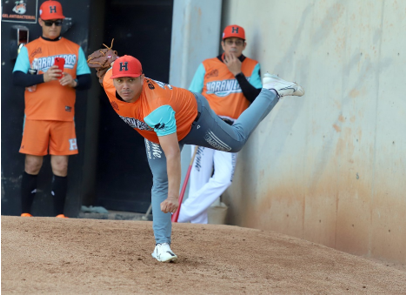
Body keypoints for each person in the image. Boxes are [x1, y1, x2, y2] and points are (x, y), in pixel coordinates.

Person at [96, 54, 304, 263]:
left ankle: (271, 90)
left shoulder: (157, 107)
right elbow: (112, 64)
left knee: (236, 142)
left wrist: (174, 196)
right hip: (156, 131)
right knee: (159, 178)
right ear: (112, 79)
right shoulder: (108, 82)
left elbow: (173, 153)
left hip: (193, 121)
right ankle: (162, 245)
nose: (125, 86)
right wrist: (110, 58)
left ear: (142, 79)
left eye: (131, 80)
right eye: (120, 80)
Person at [12, 0, 91, 218]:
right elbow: (17, 77)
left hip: (63, 116)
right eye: (49, 22)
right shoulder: (29, 49)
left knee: (61, 165)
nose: (53, 27)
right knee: (32, 163)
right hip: (36, 116)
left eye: (57, 22)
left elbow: (87, 81)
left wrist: (73, 82)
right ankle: (25, 214)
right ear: (40, 22)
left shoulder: (74, 49)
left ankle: (60, 217)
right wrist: (42, 77)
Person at [177, 25, 262, 224]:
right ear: (223, 44)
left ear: (244, 45)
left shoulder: (252, 66)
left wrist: (238, 74)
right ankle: (198, 228)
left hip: (231, 129)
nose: (233, 46)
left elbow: (256, 98)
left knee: (223, 178)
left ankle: (179, 215)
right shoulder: (207, 65)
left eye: (238, 42)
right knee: (198, 181)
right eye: (230, 42)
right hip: (204, 125)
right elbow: (191, 96)